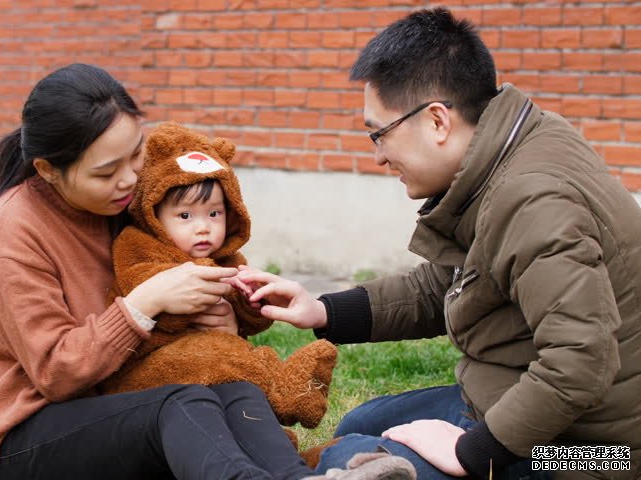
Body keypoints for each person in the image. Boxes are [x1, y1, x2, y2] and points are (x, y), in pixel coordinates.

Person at [235, 7, 641, 480]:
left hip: (591, 454)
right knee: (357, 429)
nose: (379, 156)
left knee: (358, 458)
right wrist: (323, 311)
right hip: (515, 405)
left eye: (379, 134)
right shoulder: (512, 148)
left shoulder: (532, 200)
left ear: (437, 121)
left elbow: (582, 360)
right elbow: (448, 284)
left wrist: (473, 453)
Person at [0, 63, 413, 480]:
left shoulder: (128, 200)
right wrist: (147, 301)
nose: (128, 178)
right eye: (106, 171)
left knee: (229, 385)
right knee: (182, 403)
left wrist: (226, 319)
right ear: (48, 170)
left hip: (123, 402)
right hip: (29, 438)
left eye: (135, 155)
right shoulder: (13, 231)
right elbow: (56, 374)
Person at [99, 121, 338, 430]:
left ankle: (279, 441)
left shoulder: (229, 259)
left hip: (210, 367)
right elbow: (142, 282)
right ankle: (285, 390)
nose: (203, 227)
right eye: (185, 216)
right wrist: (209, 280)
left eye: (214, 213)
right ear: (154, 216)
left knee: (231, 369)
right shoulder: (137, 245)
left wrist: (252, 302)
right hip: (150, 365)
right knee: (222, 356)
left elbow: (249, 324)